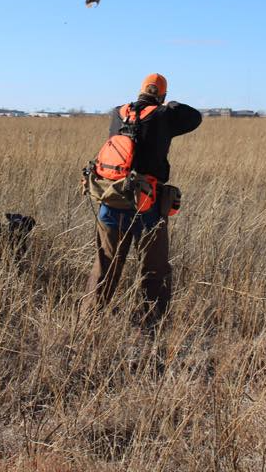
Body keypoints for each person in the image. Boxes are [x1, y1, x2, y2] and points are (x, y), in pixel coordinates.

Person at [81, 73, 202, 327]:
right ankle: (152, 323)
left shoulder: (118, 113)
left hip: (110, 201)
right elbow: (195, 118)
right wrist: (170, 106)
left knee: (105, 264)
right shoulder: (163, 115)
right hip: (147, 206)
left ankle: (87, 321)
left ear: (139, 92)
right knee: (154, 270)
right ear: (162, 95)